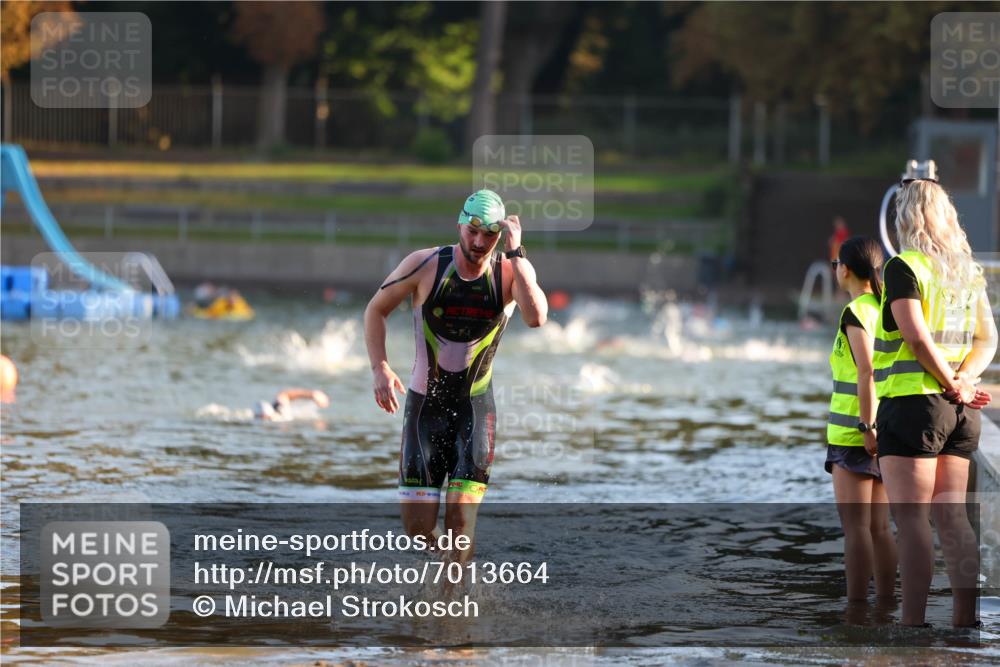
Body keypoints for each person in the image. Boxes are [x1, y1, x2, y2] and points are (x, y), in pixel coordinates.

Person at [364, 189, 547, 563]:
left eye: (489, 235)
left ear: (500, 236)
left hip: (474, 410)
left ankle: (454, 594)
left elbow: (536, 318)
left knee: (460, 521)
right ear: (460, 225)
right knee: (417, 528)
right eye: (472, 232)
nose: (479, 243)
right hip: (424, 410)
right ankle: (451, 567)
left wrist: (516, 253)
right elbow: (375, 310)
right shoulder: (426, 264)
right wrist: (380, 366)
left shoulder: (511, 271)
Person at [873, 177, 996, 627]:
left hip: (914, 407)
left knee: (912, 523)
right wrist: (964, 382)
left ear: (905, 217)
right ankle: (966, 623)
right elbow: (988, 339)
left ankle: (913, 627)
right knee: (954, 520)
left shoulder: (904, 267)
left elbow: (917, 338)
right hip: (960, 413)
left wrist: (950, 382)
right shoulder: (966, 272)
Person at [826, 237, 897, 603]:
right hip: (887, 427)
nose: (834, 269)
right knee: (880, 529)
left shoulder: (855, 312)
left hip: (855, 433)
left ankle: (855, 610)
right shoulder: (885, 307)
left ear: (846, 270)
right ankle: (886, 604)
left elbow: (865, 370)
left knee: (855, 529)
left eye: (836, 264)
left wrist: (866, 427)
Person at [253, 388, 330, 422]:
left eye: (266, 417)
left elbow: (285, 394)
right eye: (261, 417)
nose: (265, 419)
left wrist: (312, 394)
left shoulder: (279, 407)